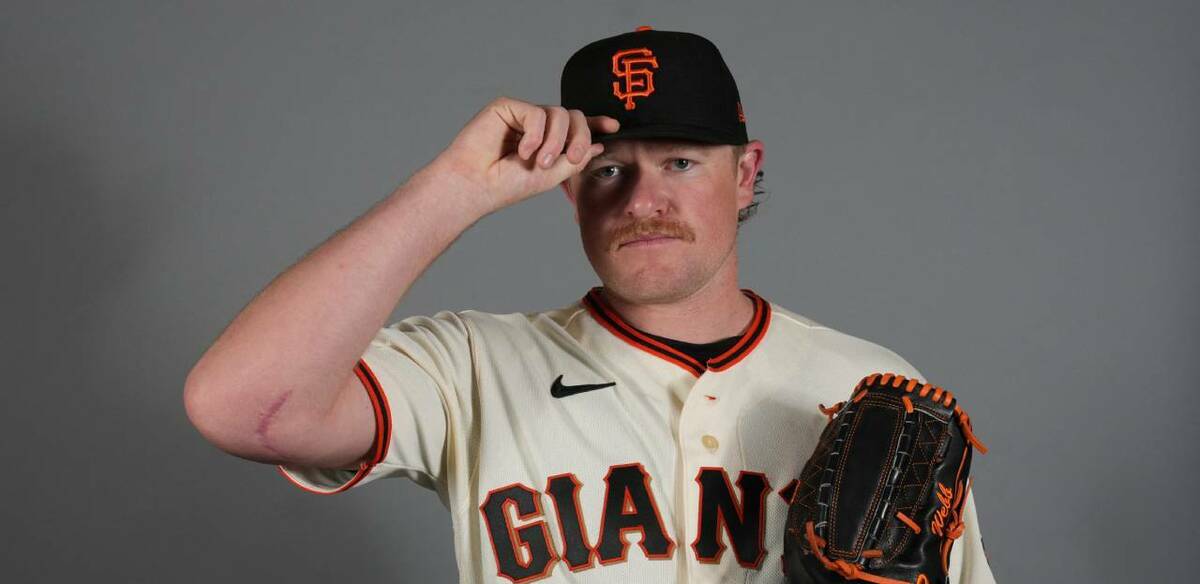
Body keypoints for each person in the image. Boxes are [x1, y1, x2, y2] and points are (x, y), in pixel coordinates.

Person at [184, 27, 997, 583]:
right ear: (568, 186)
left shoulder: (871, 385)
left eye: (680, 161)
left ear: (745, 172)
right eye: (609, 167)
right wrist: (455, 189)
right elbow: (239, 405)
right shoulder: (471, 367)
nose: (643, 199)